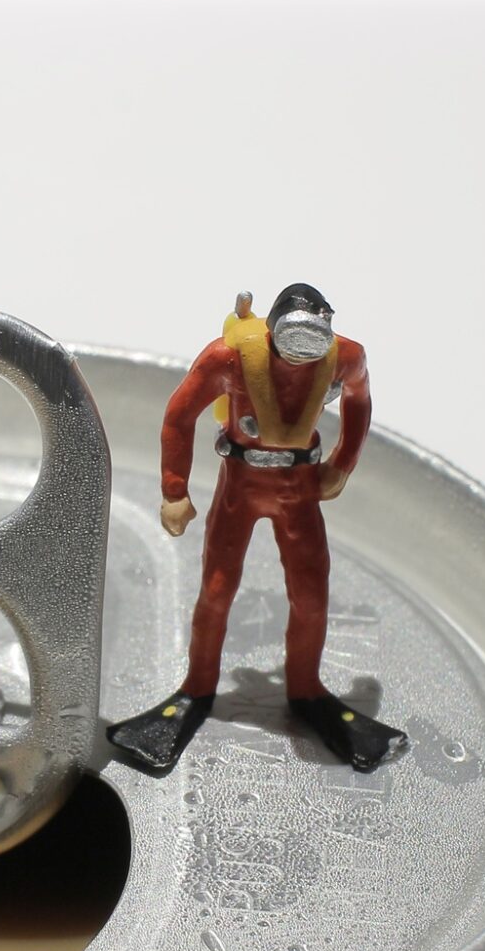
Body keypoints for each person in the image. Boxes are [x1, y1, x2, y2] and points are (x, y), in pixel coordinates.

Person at [108, 284, 407, 774]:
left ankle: (307, 690)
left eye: (311, 346)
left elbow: (360, 399)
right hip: (241, 484)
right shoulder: (229, 357)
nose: (299, 360)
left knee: (311, 595)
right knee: (217, 589)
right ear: (271, 331)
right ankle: (197, 689)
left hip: (300, 486)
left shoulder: (343, 356)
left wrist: (343, 462)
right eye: (292, 345)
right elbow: (180, 415)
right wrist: (174, 489)